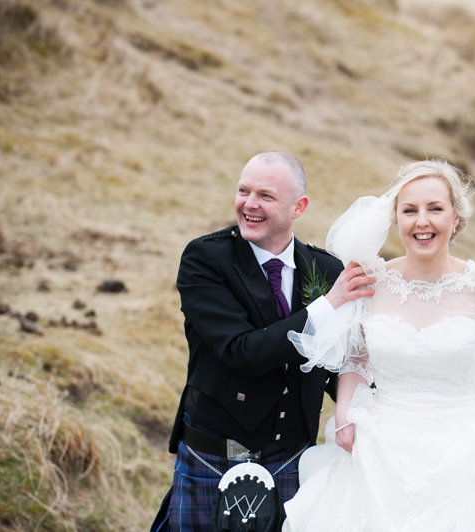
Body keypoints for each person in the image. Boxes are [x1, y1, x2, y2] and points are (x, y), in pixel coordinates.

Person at [281, 159, 475, 531]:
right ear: (396, 219)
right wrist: (344, 416)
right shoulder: (370, 283)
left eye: (435, 209)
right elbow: (356, 360)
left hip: (464, 452)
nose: (422, 221)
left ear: (455, 218)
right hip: (380, 449)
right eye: (410, 210)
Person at [151, 151, 375, 531]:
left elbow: (336, 367)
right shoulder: (205, 260)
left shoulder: (325, 270)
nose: (249, 204)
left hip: (291, 457)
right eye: (243, 191)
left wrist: (383, 413)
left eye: (265, 196)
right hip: (213, 456)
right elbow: (243, 352)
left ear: (298, 206)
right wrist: (327, 306)